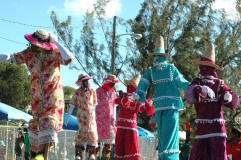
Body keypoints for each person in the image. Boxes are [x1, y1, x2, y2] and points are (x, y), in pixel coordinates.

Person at [0, 29, 74, 160]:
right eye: (31, 43)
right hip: (36, 102)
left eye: (35, 43)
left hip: (52, 100)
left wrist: (56, 41)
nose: (32, 45)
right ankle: (37, 157)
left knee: (48, 135)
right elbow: (10, 58)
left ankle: (43, 156)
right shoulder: (29, 53)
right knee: (35, 142)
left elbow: (69, 58)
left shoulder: (55, 53)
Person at [135, 35, 190, 160]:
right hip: (167, 106)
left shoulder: (159, 70)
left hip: (162, 107)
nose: (156, 58)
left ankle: (167, 158)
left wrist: (139, 93)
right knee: (168, 136)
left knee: (166, 136)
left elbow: (143, 84)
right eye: (155, 56)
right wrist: (195, 88)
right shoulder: (163, 69)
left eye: (156, 56)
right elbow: (182, 83)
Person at [184, 43, 238, 160]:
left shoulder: (219, 83)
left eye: (206, 66)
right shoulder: (197, 81)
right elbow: (188, 95)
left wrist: (227, 96)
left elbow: (232, 98)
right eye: (202, 66)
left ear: (212, 68)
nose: (203, 69)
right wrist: (201, 89)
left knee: (218, 155)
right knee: (197, 155)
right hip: (201, 128)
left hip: (216, 127)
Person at [114, 74, 154, 160]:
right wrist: (129, 98)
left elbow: (142, 109)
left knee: (131, 150)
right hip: (122, 127)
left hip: (130, 128)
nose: (129, 87)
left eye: (131, 86)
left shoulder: (138, 99)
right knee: (120, 150)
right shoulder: (124, 95)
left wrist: (148, 104)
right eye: (129, 85)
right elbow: (117, 101)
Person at [65, 74, 98, 160]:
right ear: (81, 82)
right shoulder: (77, 92)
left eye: (87, 80)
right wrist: (67, 118)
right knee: (82, 131)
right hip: (82, 115)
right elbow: (72, 105)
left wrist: (96, 116)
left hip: (91, 116)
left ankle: (91, 153)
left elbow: (94, 104)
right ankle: (79, 153)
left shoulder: (92, 91)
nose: (87, 82)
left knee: (92, 132)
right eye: (84, 81)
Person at [95, 74, 119, 160]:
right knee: (96, 145)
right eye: (112, 83)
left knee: (108, 146)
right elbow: (94, 105)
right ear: (107, 82)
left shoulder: (113, 93)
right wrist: (94, 119)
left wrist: (115, 118)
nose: (113, 85)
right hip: (99, 121)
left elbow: (114, 106)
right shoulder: (99, 91)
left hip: (110, 121)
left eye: (114, 83)